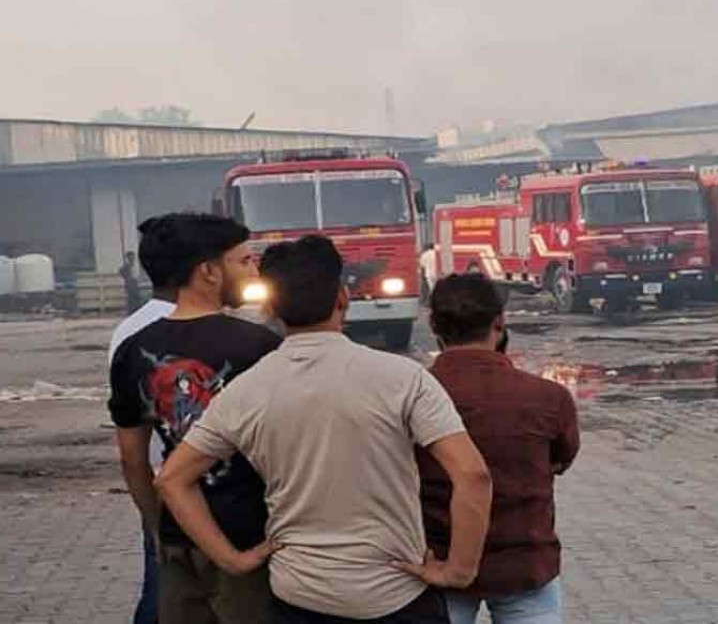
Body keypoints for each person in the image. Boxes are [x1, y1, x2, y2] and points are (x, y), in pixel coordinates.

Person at [156, 235, 493, 623]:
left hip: (300, 597)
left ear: (270, 308)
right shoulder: (403, 378)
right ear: (343, 299)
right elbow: (473, 475)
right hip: (395, 594)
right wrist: (459, 570)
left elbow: (172, 480)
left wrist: (231, 560)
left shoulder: (244, 392)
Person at [108, 213, 281, 624]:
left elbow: (132, 459)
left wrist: (158, 527)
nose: (253, 271)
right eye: (243, 261)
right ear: (208, 272)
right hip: (249, 539)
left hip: (178, 539)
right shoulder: (259, 346)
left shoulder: (132, 349)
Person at [419, 274, 581, 624]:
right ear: (500, 322)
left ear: (433, 325)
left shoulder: (412, 396)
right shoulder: (548, 397)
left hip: (437, 563)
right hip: (525, 565)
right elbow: (561, 459)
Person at [108, 220, 179, 624]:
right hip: (193, 483)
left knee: (162, 585)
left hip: (157, 479)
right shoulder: (218, 332)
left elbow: (130, 446)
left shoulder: (128, 329)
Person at [120, 250, 145, 315]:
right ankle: (131, 311)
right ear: (128, 258)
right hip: (129, 284)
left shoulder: (134, 265)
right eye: (131, 257)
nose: (133, 259)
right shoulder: (126, 266)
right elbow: (121, 272)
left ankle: (137, 310)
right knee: (131, 298)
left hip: (135, 283)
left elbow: (137, 275)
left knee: (137, 298)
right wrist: (128, 278)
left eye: (133, 257)